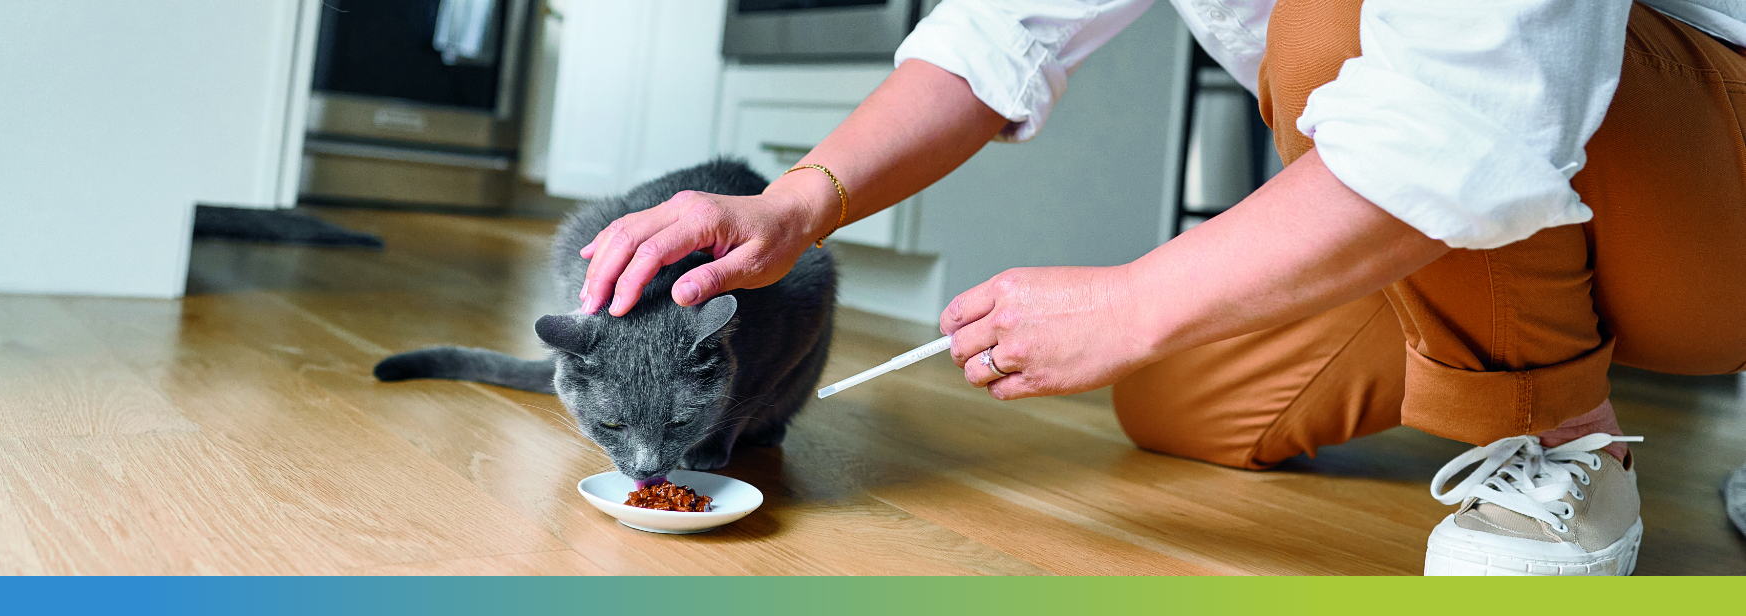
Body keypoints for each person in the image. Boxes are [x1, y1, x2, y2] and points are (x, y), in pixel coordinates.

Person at [575, 0, 1746, 575]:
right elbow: (1000, 29)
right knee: (1180, 398)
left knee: (1331, 21)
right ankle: (1497, 320)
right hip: (1473, 187)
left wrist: (1133, 299)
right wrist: (801, 200)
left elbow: (1466, 107)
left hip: (1703, 196)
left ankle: (1557, 433)